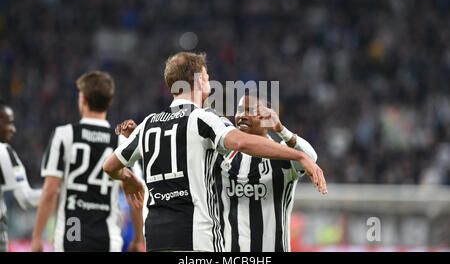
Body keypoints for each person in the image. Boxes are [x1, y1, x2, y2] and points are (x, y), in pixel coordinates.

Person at [103, 52, 326, 252]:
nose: (241, 115)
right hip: (196, 236)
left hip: (157, 237)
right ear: (199, 80)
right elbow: (238, 142)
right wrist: (299, 155)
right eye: (207, 77)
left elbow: (110, 166)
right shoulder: (205, 122)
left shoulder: (148, 124)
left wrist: (128, 174)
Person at [31, 71, 144, 252]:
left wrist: (37, 237)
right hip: (107, 239)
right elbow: (137, 192)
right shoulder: (122, 142)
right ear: (110, 101)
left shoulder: (63, 134)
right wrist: (139, 239)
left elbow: (51, 190)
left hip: (70, 236)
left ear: (82, 98)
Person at [214, 93, 317, 252]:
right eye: (240, 110)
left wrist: (282, 130)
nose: (242, 115)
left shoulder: (284, 154)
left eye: (251, 111)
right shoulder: (221, 155)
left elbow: (310, 158)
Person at [0, 100, 41, 252]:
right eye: (9, 123)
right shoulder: (4, 152)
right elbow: (27, 199)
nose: (13, 129)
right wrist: (57, 192)